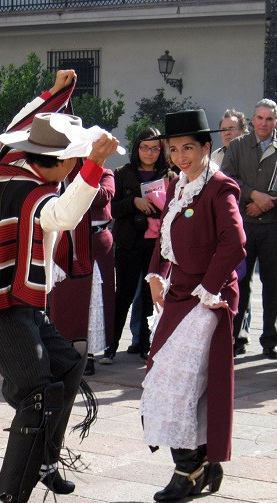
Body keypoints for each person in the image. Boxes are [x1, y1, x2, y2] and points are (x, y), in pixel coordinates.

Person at [0, 71, 121, 503]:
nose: (72, 169)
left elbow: (23, 121)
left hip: (15, 301)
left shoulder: (11, 160)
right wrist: (93, 164)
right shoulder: (34, 193)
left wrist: (56, 92)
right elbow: (67, 215)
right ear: (59, 164)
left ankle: (44, 458)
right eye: (69, 162)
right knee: (37, 395)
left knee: (68, 365)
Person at [142, 109, 245, 503]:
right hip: (180, 293)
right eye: (174, 149)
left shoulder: (221, 188)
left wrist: (206, 288)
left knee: (179, 382)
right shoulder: (177, 186)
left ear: (207, 147)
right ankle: (201, 461)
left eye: (189, 148)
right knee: (172, 378)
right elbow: (163, 237)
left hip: (209, 297)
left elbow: (234, 244)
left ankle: (188, 469)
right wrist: (155, 274)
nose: (181, 156)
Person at [221, 99, 277, 359]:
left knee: (273, 284)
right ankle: (235, 336)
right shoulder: (237, 146)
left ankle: (271, 340)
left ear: (276, 122)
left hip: (273, 226)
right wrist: (253, 195)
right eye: (260, 118)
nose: (264, 123)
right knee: (240, 282)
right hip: (243, 224)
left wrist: (266, 204)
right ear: (252, 120)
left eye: (269, 119)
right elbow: (228, 180)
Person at [101, 126, 174, 365]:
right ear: (137, 148)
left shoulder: (170, 176)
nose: (149, 153)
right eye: (145, 147)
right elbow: (112, 209)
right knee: (123, 294)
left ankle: (145, 344)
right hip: (129, 241)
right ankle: (111, 346)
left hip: (156, 245)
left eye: (154, 148)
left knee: (150, 297)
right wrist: (134, 202)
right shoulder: (123, 173)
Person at [48, 166, 115, 376]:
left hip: (97, 242)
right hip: (68, 241)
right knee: (66, 299)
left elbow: (103, 197)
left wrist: (82, 180)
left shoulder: (105, 173)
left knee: (95, 299)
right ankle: (65, 348)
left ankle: (90, 354)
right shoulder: (59, 174)